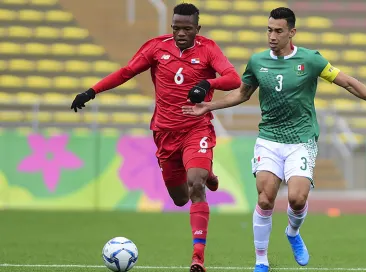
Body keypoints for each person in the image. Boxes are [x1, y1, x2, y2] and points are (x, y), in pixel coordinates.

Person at [182, 7, 366, 272]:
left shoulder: (310, 60)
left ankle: (292, 232)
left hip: (301, 140)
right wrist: (209, 106)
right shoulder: (257, 62)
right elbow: (242, 94)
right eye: (269, 30)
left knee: (297, 199)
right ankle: (261, 261)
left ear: (291, 32)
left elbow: (348, 82)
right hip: (269, 139)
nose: (272, 36)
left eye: (278, 31)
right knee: (265, 199)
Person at [70, 3, 241, 271]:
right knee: (180, 198)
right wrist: (92, 91)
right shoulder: (156, 48)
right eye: (176, 28)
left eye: (187, 28)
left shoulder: (208, 49)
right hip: (164, 133)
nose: (181, 33)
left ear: (198, 28)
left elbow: (233, 79)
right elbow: (126, 72)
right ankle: (207, 173)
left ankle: (198, 256)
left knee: (195, 187)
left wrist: (208, 83)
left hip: (197, 129)